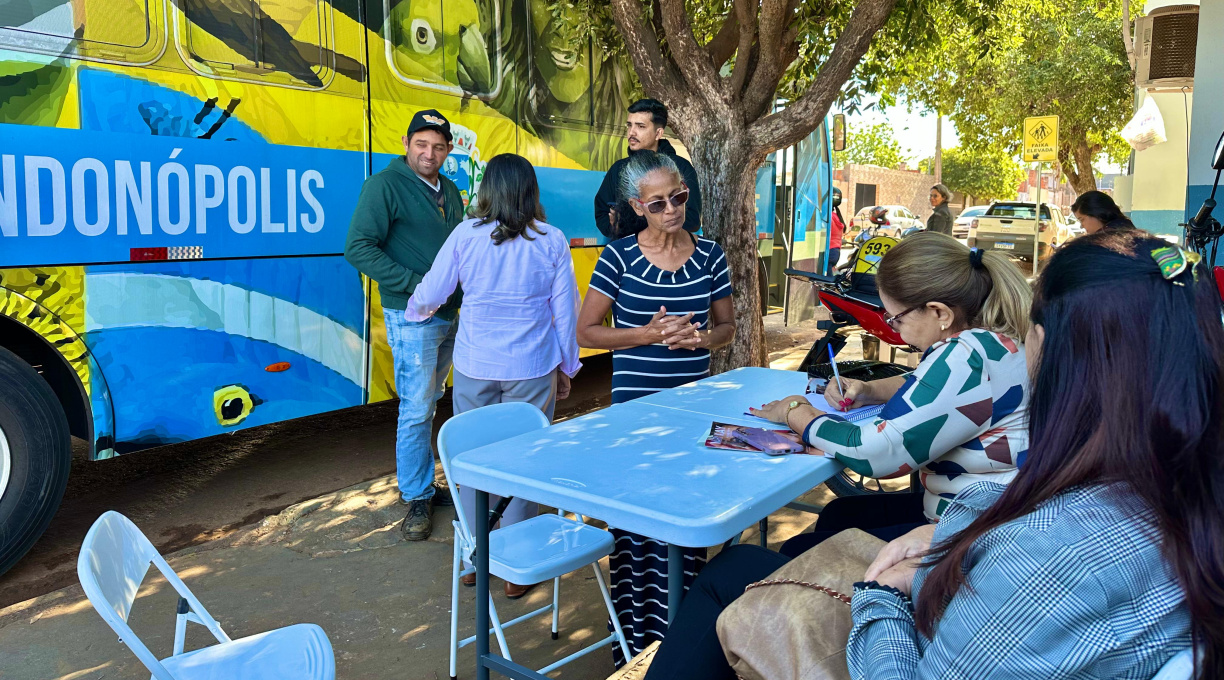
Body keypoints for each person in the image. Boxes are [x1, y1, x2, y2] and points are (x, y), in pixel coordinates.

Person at [646, 229, 1223, 680]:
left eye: (897, 318)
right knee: (837, 521)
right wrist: (970, 526)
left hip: (924, 612)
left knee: (733, 573)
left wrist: (885, 592)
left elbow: (883, 455)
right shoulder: (1176, 485)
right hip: (961, 541)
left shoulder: (1059, 554)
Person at [752, 231, 1032, 555]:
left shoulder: (963, 355)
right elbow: (928, 384)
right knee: (839, 514)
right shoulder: (995, 340)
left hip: (973, 537)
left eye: (895, 318)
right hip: (994, 515)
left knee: (799, 548)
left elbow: (876, 453)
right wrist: (869, 390)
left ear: (939, 313)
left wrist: (796, 411)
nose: (894, 329)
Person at [577, 150, 735, 662]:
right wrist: (644, 334)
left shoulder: (711, 255)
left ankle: (683, 641)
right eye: (659, 203)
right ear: (637, 206)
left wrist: (702, 341)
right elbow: (587, 331)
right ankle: (631, 642)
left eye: (680, 198)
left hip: (691, 413)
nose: (672, 210)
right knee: (635, 524)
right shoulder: (618, 256)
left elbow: (727, 328)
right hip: (634, 416)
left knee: (686, 523)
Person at [403, 153, 580, 598]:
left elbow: (433, 287)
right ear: (530, 191)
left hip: (475, 365)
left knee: (472, 461)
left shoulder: (467, 234)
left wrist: (415, 311)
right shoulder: (553, 240)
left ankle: (474, 557)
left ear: (487, 191)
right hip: (532, 367)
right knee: (525, 461)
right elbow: (565, 312)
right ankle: (515, 566)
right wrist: (568, 365)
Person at [344, 109, 463, 541]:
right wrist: (418, 287)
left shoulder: (448, 188)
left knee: (431, 398)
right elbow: (358, 248)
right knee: (416, 407)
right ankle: (415, 494)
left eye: (438, 146)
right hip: (413, 314)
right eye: (421, 144)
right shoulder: (384, 185)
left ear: (448, 150)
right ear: (406, 143)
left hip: (449, 314)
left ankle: (425, 484)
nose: (429, 153)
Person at [593, 98, 702, 238]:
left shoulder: (680, 168)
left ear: (658, 133)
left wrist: (630, 223)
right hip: (628, 254)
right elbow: (602, 214)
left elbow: (692, 220)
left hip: (670, 255)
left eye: (640, 126)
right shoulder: (618, 169)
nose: (632, 132)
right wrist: (616, 229)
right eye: (629, 125)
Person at [827, 187, 845, 275]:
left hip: (829, 251)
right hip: (836, 252)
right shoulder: (836, 216)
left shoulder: (828, 216)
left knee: (827, 281)